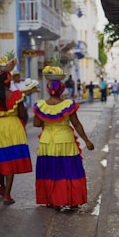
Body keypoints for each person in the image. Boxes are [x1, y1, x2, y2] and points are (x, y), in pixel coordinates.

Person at [33, 78, 94, 211]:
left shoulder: (41, 105)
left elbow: (36, 124)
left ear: (48, 90)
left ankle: (54, 200)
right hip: (65, 141)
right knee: (69, 170)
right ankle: (72, 200)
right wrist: (86, 140)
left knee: (50, 171)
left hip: (47, 142)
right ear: (61, 90)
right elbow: (76, 123)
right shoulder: (68, 104)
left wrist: (45, 117)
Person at [0, 69, 32, 205]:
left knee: (0, 158)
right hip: (13, 128)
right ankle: (7, 195)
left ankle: (2, 187)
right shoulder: (17, 95)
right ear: (10, 82)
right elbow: (22, 114)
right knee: (11, 160)